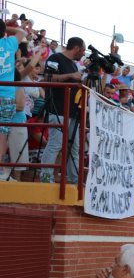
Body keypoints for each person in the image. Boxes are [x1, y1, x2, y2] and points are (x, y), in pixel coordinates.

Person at [39, 37, 86, 184]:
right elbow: (47, 78)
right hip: (57, 109)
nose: (83, 54)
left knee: (75, 147)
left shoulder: (73, 65)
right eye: (83, 50)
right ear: (77, 48)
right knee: (55, 143)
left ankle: (74, 180)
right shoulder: (55, 57)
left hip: (72, 111)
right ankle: (46, 177)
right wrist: (71, 76)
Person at [0, 21, 26, 180]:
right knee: (2, 135)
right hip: (7, 97)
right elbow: (21, 31)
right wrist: (5, 29)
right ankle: (0, 169)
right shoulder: (9, 43)